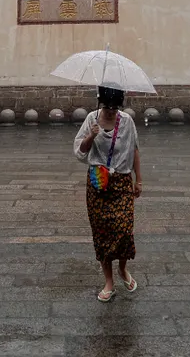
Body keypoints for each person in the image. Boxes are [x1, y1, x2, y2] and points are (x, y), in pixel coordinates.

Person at [73, 86, 142, 302]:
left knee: (123, 229)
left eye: (115, 107)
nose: (111, 111)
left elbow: (135, 149)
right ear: (100, 103)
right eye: (107, 107)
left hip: (121, 181)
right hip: (98, 182)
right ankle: (109, 281)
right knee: (102, 233)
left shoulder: (127, 122)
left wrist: (138, 179)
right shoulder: (91, 120)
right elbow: (79, 151)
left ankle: (123, 268)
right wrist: (90, 137)